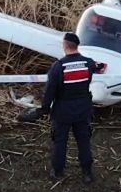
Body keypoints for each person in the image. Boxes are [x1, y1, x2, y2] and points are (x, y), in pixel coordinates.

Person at [41, 32, 103, 183]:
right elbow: (97, 68)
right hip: (83, 110)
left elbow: (50, 91)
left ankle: (58, 171)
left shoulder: (58, 66)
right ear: (77, 45)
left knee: (60, 141)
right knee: (83, 141)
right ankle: (87, 173)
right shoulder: (88, 63)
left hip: (63, 110)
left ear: (65, 46)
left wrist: (44, 108)